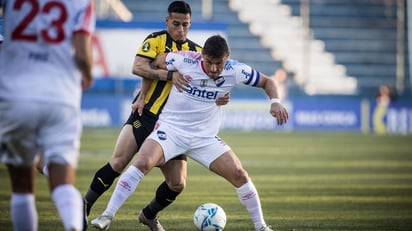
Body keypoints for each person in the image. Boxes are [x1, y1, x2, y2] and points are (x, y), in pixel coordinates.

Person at [91, 35, 289, 231]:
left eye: (218, 64)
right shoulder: (184, 60)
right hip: (171, 130)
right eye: (209, 62)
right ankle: (108, 214)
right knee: (142, 162)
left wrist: (275, 102)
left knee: (239, 174)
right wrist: (169, 75)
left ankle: (261, 228)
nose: (213, 69)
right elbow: (157, 60)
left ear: (226, 58)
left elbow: (268, 82)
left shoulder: (236, 70)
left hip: (204, 138)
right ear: (202, 55)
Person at [83, 1, 229, 230]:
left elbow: (210, 83)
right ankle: (84, 205)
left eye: (186, 25)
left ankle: (149, 215)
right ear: (167, 21)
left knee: (177, 183)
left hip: (175, 126)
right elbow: (138, 67)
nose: (181, 30)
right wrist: (167, 77)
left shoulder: (198, 53)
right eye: (176, 24)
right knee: (119, 161)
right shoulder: (156, 40)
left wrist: (220, 97)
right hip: (147, 114)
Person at [0, 0, 94, 230]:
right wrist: (87, 74)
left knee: (22, 187)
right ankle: (73, 224)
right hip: (61, 95)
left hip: (17, 94)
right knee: (62, 182)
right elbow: (82, 52)